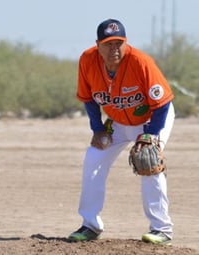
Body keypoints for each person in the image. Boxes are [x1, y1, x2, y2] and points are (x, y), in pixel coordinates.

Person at [68, 18, 175, 245]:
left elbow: (162, 103)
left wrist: (151, 135)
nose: (114, 49)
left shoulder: (141, 62)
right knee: (93, 159)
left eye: (119, 43)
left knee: (149, 161)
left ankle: (161, 229)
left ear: (125, 43)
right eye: (108, 44)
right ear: (98, 45)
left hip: (152, 119)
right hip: (117, 122)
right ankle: (90, 225)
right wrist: (97, 129)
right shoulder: (87, 61)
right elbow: (88, 99)